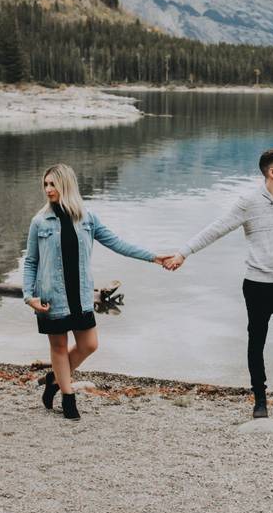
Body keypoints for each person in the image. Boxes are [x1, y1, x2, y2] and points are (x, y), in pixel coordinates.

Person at [165, 147, 273, 418]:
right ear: (272, 172)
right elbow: (216, 228)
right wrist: (183, 253)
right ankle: (260, 400)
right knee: (256, 341)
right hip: (256, 285)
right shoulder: (248, 202)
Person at [23, 163, 170, 420]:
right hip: (50, 296)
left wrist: (153, 257)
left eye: (53, 184)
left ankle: (54, 379)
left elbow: (117, 243)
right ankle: (69, 399)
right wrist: (29, 296)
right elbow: (31, 262)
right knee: (58, 347)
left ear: (66, 185)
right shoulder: (39, 221)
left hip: (80, 295)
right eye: (45, 184)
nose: (48, 189)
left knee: (89, 344)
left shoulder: (87, 218)